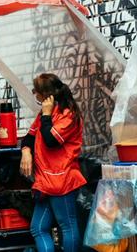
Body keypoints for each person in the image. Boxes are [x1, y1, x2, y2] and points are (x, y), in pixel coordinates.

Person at [19, 73, 87, 252]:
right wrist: (26, 151)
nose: (35, 95)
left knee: (67, 225)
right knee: (38, 228)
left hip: (62, 179)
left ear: (47, 95)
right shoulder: (45, 114)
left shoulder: (68, 115)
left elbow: (51, 140)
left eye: (36, 91)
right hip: (46, 181)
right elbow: (29, 137)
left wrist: (47, 115)